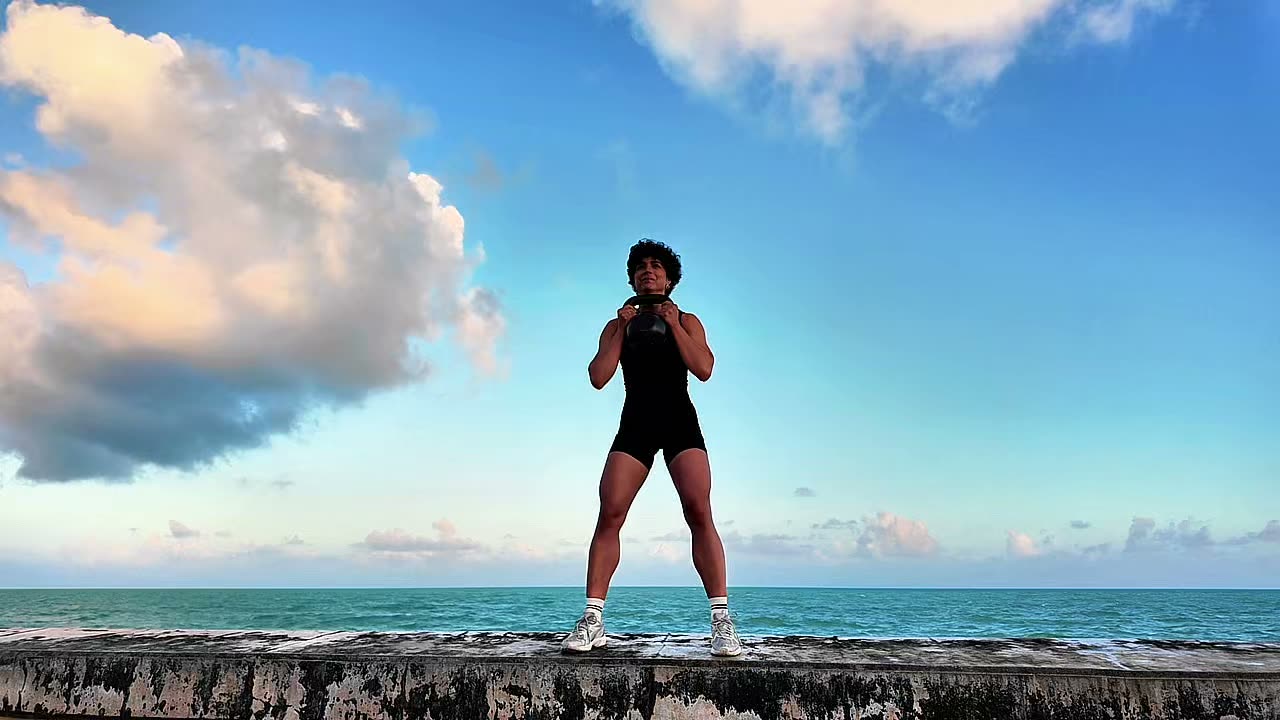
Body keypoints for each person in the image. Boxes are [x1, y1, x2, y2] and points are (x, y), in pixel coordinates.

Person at [560, 238, 742, 657]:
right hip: (636, 423)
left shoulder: (689, 319)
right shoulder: (616, 324)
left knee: (699, 511)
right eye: (641, 266)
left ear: (670, 278)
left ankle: (721, 622)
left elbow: (705, 368)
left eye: (657, 266)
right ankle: (593, 620)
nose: (648, 271)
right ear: (632, 277)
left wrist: (674, 323)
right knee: (610, 513)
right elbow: (598, 376)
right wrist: (622, 328)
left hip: (679, 420)